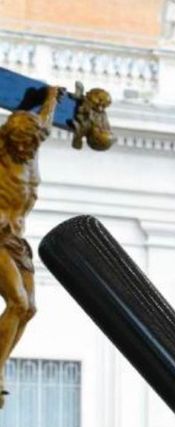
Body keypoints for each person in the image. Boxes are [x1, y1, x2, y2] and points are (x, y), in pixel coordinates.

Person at [0, 86, 61, 405]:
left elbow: (46, 121)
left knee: (29, 309)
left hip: (17, 240)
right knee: (18, 302)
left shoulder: (32, 147)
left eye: (28, 144)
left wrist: (51, 97)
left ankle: (1, 363)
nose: (23, 148)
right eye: (18, 143)